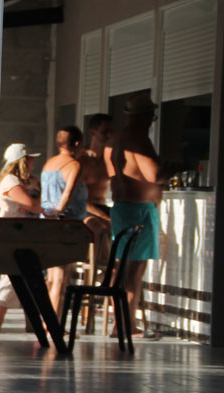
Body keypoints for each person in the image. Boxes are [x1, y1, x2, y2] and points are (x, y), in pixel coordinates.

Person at [104, 93, 176, 338]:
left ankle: (120, 324)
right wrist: (175, 167)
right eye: (152, 116)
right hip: (139, 210)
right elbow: (155, 176)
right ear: (144, 116)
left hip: (122, 208)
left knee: (121, 269)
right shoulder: (139, 140)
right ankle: (126, 325)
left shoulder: (116, 140)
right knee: (134, 272)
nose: (152, 121)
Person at [0, 143, 43, 333]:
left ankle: (30, 322)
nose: (33, 162)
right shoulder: (11, 181)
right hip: (12, 234)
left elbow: (36, 203)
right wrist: (33, 204)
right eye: (30, 158)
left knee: (28, 276)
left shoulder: (28, 181)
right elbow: (33, 204)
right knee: (11, 276)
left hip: (26, 233)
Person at [41, 127, 89, 321]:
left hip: (46, 223)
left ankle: (47, 320)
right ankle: (54, 324)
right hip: (65, 224)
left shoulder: (49, 163)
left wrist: (50, 214)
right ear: (77, 143)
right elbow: (67, 194)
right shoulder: (74, 165)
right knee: (61, 278)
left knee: (52, 277)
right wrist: (59, 213)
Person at [81, 113, 114, 222]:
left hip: (103, 206)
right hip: (84, 208)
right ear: (92, 132)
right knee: (95, 225)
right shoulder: (81, 159)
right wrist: (105, 217)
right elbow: (76, 197)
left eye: (111, 131)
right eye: (104, 132)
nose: (109, 135)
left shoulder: (111, 159)